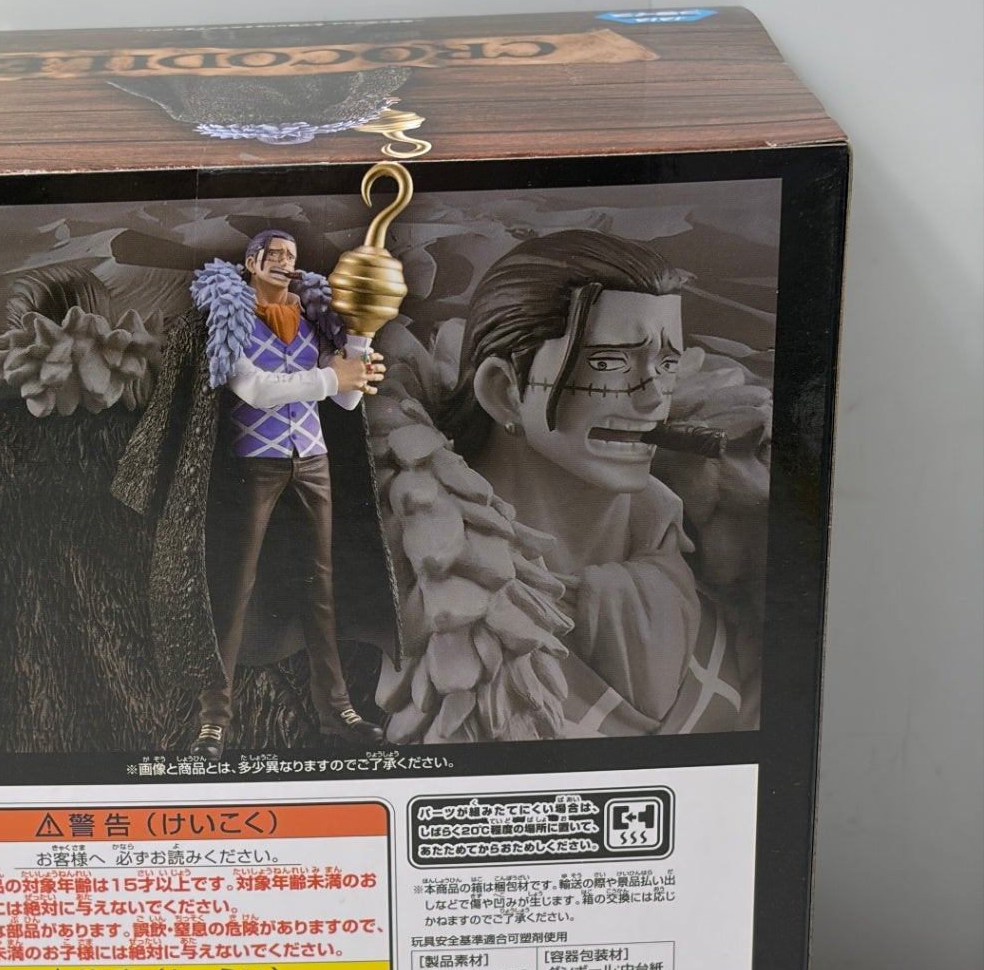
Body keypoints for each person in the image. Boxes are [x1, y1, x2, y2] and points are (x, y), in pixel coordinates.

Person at [372, 229, 771, 741]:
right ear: (504, 391)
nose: (653, 398)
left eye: (666, 364)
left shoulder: (715, 583)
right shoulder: (405, 594)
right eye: (608, 363)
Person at [112, 229, 400, 751]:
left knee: (321, 588)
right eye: (275, 256)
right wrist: (332, 379)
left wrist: (359, 342)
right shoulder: (228, 320)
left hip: (312, 461)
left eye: (292, 256)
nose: (285, 263)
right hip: (254, 464)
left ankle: (336, 709)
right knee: (233, 589)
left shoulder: (313, 319)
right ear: (252, 263)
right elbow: (255, 389)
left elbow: (346, 404)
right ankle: (214, 719)